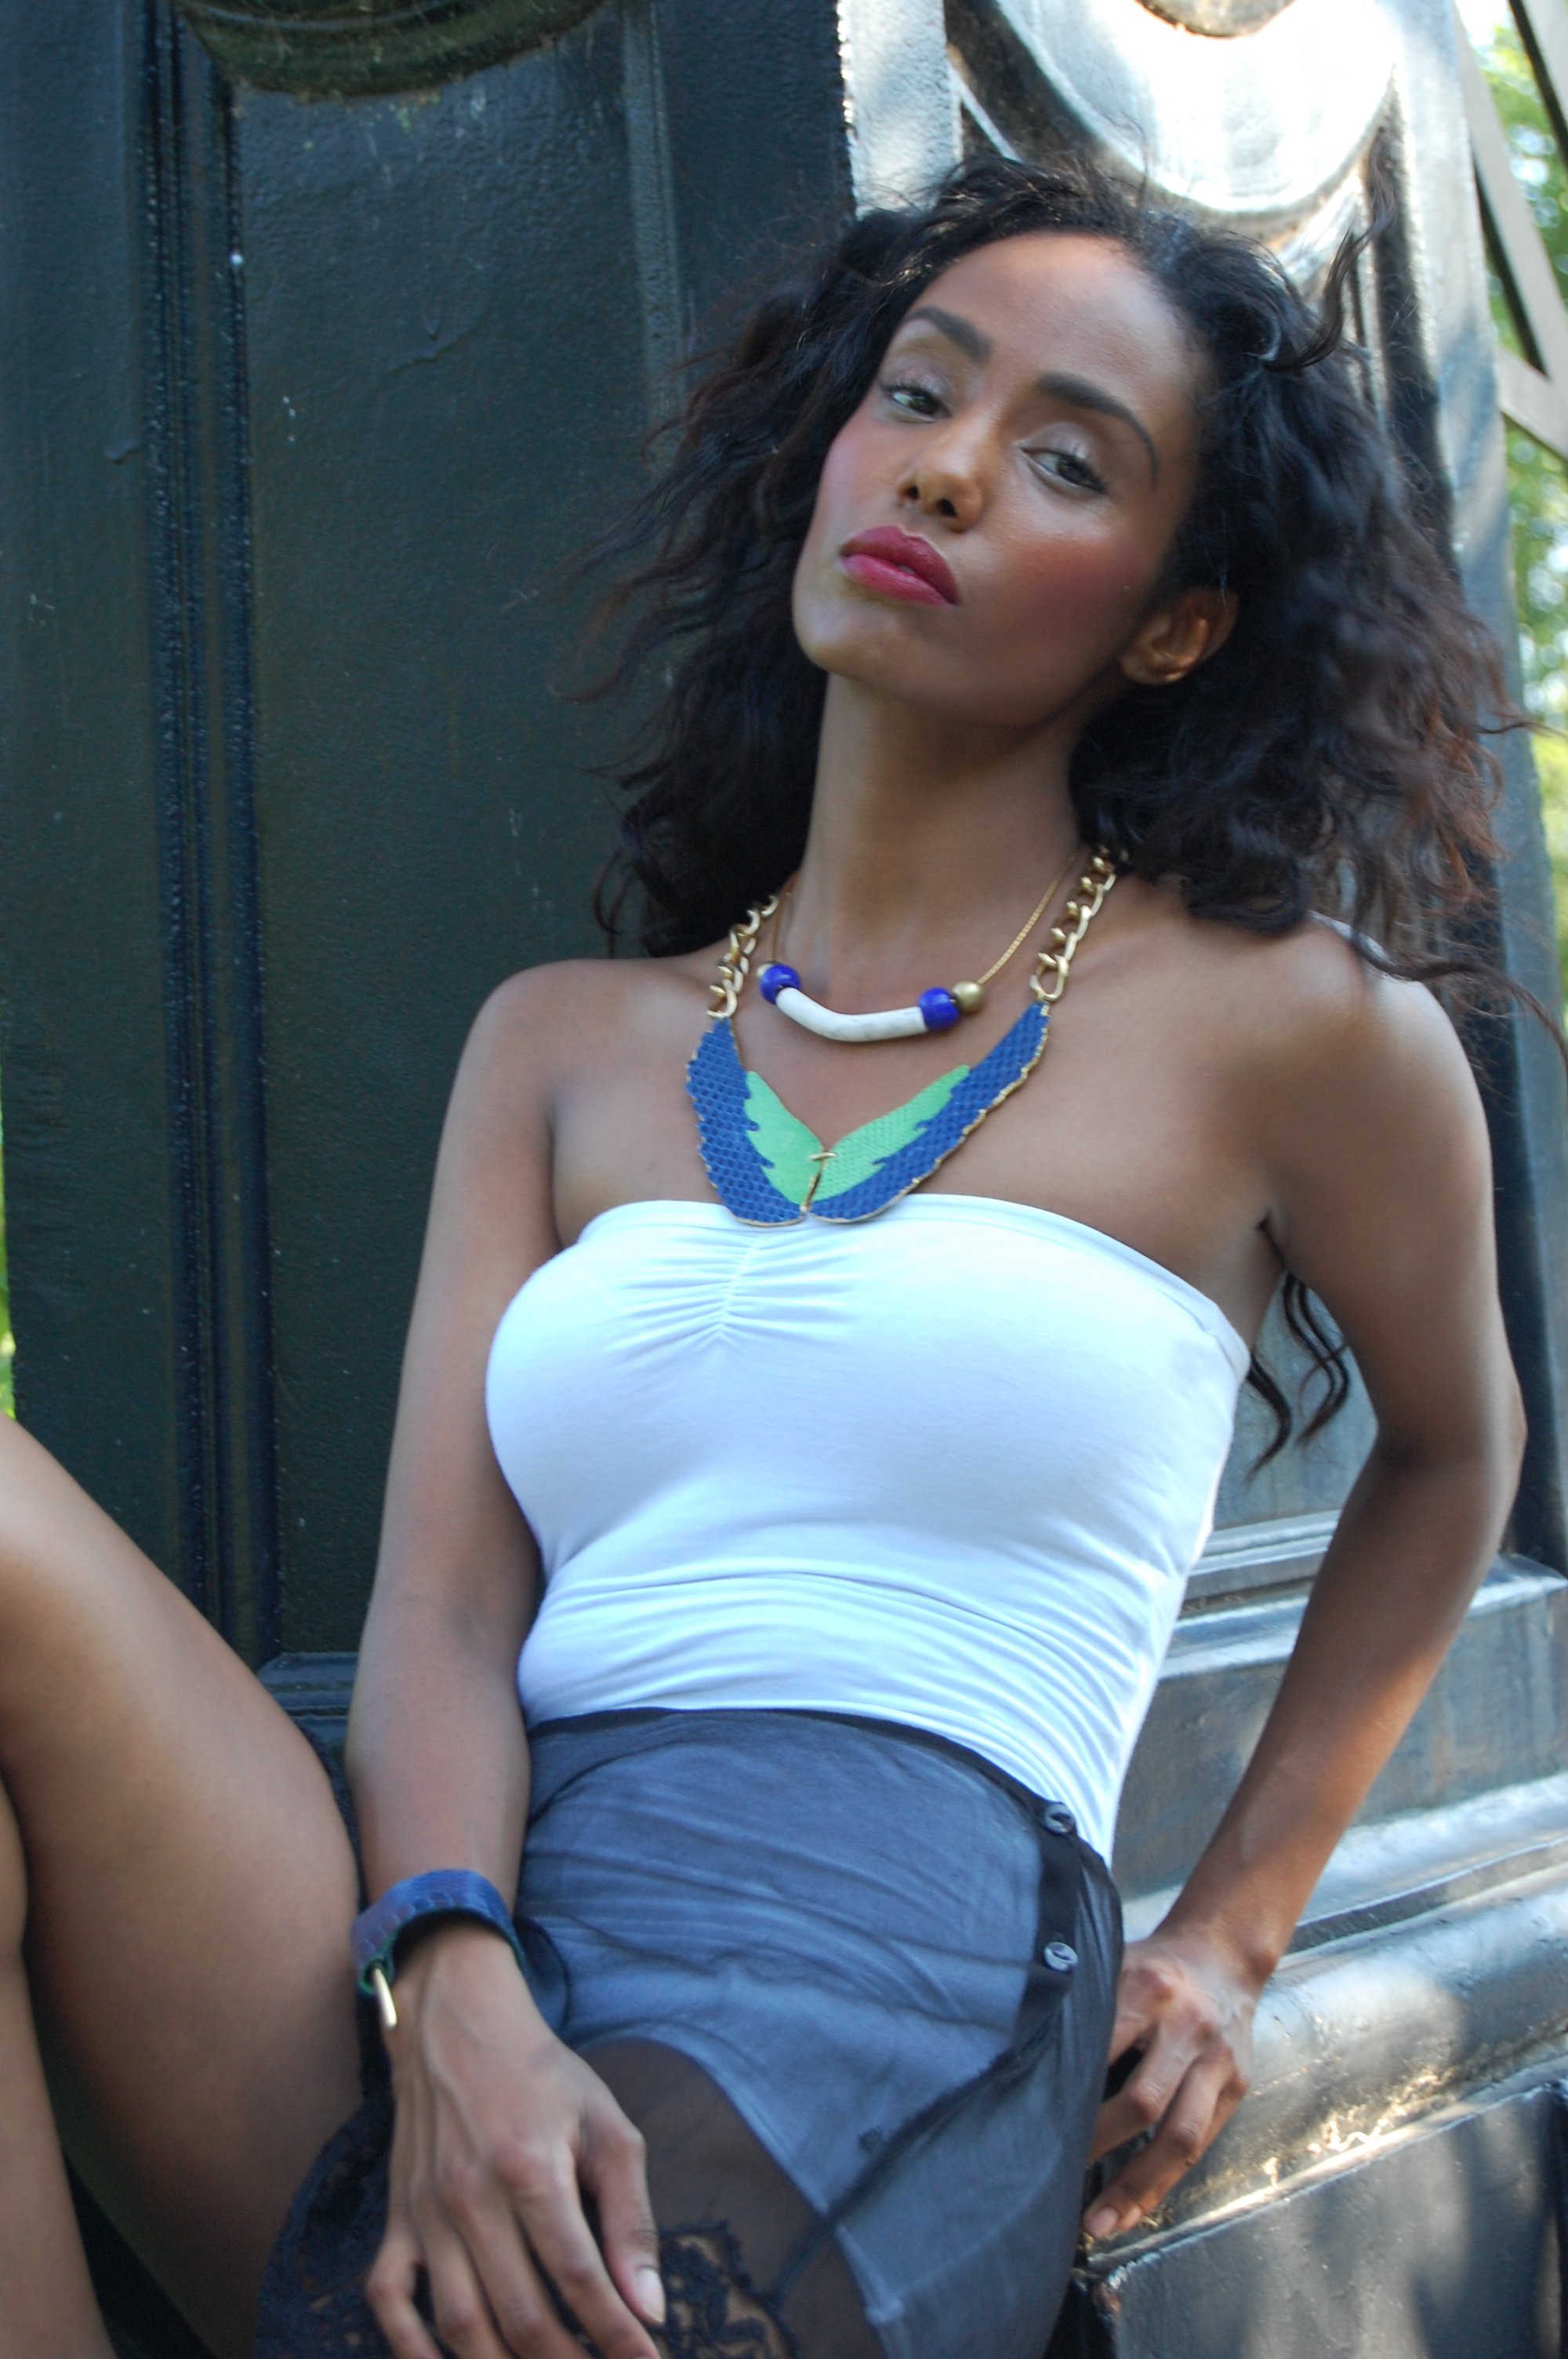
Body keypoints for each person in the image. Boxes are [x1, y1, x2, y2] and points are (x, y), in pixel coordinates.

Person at [0, 151, 1532, 2359]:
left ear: (1175, 615)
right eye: (921, 392)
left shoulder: (1293, 1029)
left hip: (897, 1941)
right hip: (477, 1907)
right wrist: (451, 1982)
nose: (951, 468)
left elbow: (1451, 1455)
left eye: (1067, 456)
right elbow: (439, 1603)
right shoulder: (566, 1049)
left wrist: (1233, 1933)